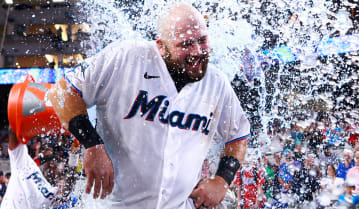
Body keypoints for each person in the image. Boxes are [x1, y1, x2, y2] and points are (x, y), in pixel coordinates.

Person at [48, 2, 250, 209]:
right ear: (161, 46)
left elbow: (238, 135)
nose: (198, 51)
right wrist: (92, 144)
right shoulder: (125, 58)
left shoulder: (216, 82)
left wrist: (222, 180)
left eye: (202, 40)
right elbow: (62, 91)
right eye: (186, 44)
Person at [0, 128, 78, 209]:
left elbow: (67, 191)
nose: (54, 166)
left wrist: (74, 158)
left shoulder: (52, 193)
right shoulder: (23, 160)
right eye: (51, 161)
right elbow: (13, 130)